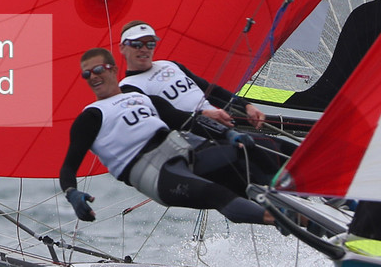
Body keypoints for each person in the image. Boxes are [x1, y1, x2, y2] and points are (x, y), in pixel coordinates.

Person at [59, 48, 269, 226]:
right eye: (87, 75)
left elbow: (186, 120)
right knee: (218, 194)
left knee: (247, 157)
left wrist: (229, 134)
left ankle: (296, 211)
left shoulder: (142, 98)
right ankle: (278, 219)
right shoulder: (90, 116)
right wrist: (72, 194)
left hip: (182, 154)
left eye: (97, 70)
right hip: (156, 176)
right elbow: (68, 167)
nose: (93, 77)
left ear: (113, 69)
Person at [116, 21, 268, 128]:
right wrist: (202, 115)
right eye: (136, 44)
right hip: (193, 141)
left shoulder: (170, 65)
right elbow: (164, 116)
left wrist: (246, 106)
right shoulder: (127, 88)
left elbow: (210, 90)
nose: (144, 49)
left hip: (222, 127)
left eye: (150, 44)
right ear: (122, 48)